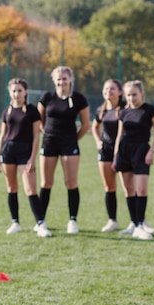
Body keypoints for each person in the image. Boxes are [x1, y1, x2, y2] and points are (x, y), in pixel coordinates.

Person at [0, 78, 51, 237]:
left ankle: (41, 224)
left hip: (25, 152)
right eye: (13, 91)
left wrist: (32, 158)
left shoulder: (32, 111)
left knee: (30, 189)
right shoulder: (7, 111)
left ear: (25, 92)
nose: (17, 93)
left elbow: (35, 136)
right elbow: (2, 135)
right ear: (9, 92)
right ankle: (15, 222)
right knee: (12, 188)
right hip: (8, 152)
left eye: (19, 90)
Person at [37, 66, 90, 233]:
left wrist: (73, 140)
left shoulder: (79, 98)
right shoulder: (47, 97)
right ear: (54, 80)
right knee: (46, 182)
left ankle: (72, 221)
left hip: (69, 145)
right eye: (59, 79)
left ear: (70, 80)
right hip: (50, 143)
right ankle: (40, 220)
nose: (62, 82)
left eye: (65, 78)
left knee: (71, 182)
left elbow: (86, 125)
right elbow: (40, 121)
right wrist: (48, 134)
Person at [113, 80, 154, 240]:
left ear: (142, 94)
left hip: (141, 151)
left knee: (141, 189)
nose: (131, 98)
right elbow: (119, 136)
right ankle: (133, 223)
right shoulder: (123, 112)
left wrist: (152, 151)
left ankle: (141, 224)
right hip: (124, 152)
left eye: (134, 94)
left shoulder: (150, 110)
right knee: (128, 190)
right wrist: (115, 156)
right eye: (128, 95)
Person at [92, 79, 125, 232]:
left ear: (120, 92)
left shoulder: (124, 108)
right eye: (106, 89)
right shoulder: (102, 109)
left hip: (123, 151)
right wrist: (98, 141)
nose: (108, 91)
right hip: (105, 151)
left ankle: (138, 220)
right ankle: (112, 220)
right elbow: (94, 127)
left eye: (112, 89)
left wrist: (117, 154)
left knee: (128, 188)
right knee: (109, 187)